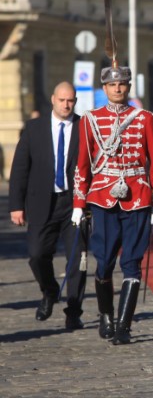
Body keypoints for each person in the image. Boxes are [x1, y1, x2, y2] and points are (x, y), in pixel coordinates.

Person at [72, 0, 153, 345]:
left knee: (132, 264)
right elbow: (82, 166)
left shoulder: (144, 118)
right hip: (102, 196)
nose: (117, 88)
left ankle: (124, 326)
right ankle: (106, 315)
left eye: (122, 84)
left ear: (128, 86)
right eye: (112, 84)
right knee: (104, 263)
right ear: (104, 87)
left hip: (139, 196)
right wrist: (79, 205)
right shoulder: (90, 120)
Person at [9, 82, 87, 329]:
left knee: (78, 259)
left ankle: (73, 311)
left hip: (74, 204)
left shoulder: (84, 127)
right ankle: (49, 291)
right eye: (62, 100)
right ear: (53, 99)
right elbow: (20, 168)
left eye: (71, 101)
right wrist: (16, 205)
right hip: (42, 202)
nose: (67, 105)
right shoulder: (34, 129)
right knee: (36, 255)